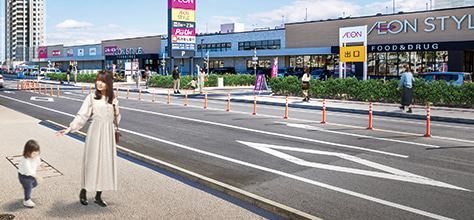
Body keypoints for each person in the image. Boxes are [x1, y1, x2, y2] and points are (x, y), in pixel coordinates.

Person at [56, 69, 120, 207]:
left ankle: (98, 196)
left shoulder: (113, 100)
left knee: (105, 164)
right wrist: (69, 128)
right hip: (96, 132)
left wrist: (116, 108)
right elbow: (82, 115)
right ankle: (84, 191)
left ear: (109, 83)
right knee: (91, 162)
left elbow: (117, 121)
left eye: (103, 81)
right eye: (98, 80)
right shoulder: (91, 98)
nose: (99, 83)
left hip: (108, 134)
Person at [18, 139, 47, 208]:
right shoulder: (26, 161)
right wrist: (38, 177)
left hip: (32, 175)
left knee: (35, 184)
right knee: (29, 187)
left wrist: (43, 167)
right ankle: (26, 200)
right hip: (24, 176)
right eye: (34, 153)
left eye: (37, 152)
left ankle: (24, 187)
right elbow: (30, 172)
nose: (35, 155)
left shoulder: (35, 156)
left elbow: (38, 162)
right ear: (28, 152)